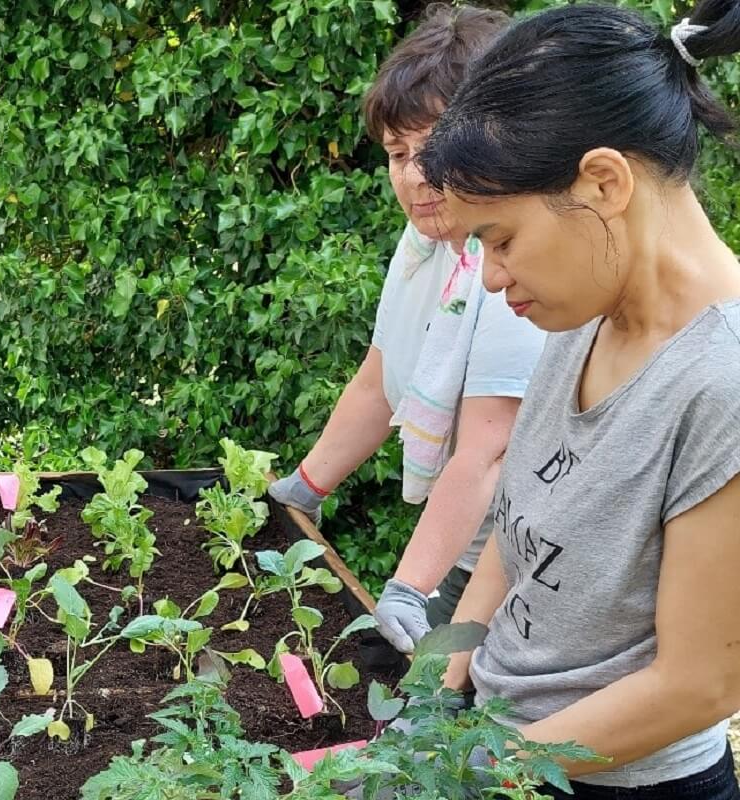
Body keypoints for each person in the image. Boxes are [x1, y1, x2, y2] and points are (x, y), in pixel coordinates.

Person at [419, 2, 740, 796]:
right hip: (506, 753)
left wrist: (463, 776)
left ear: (603, 182)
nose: (491, 279)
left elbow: (699, 686)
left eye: (500, 239)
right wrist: (436, 689)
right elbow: (517, 530)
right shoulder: (584, 316)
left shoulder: (723, 382)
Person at [269, 3, 546, 653]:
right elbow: (379, 377)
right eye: (399, 153)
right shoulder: (426, 244)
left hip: (528, 573)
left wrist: (408, 587)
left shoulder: (514, 256)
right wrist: (301, 491)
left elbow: (490, 449)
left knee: (467, 739)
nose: (415, 176)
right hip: (466, 552)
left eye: (435, 150)